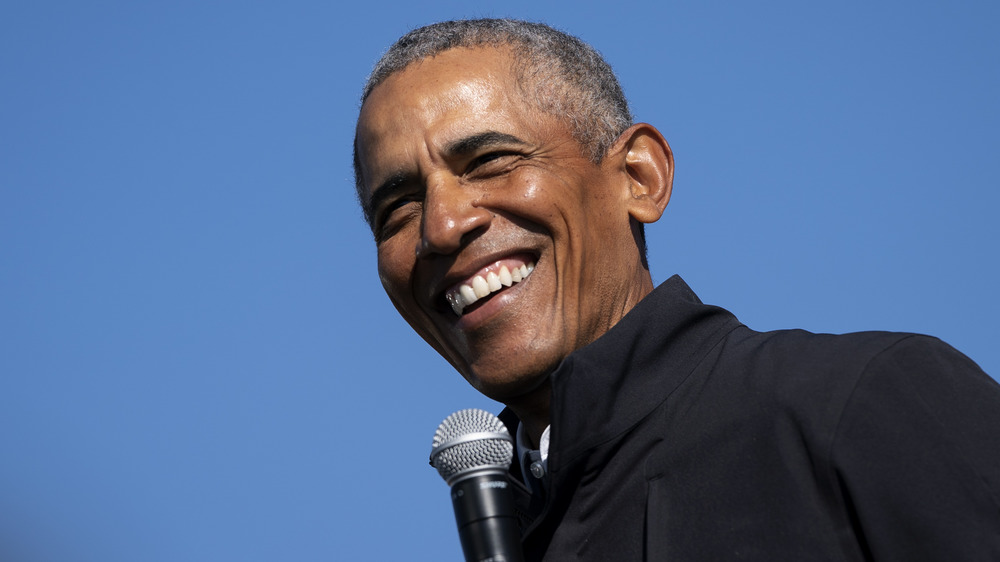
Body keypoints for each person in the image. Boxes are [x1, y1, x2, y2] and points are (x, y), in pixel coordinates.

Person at [353, 19, 1000, 561]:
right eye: (397, 210)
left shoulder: (859, 405)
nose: (440, 227)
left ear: (639, 176)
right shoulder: (513, 523)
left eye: (491, 161)